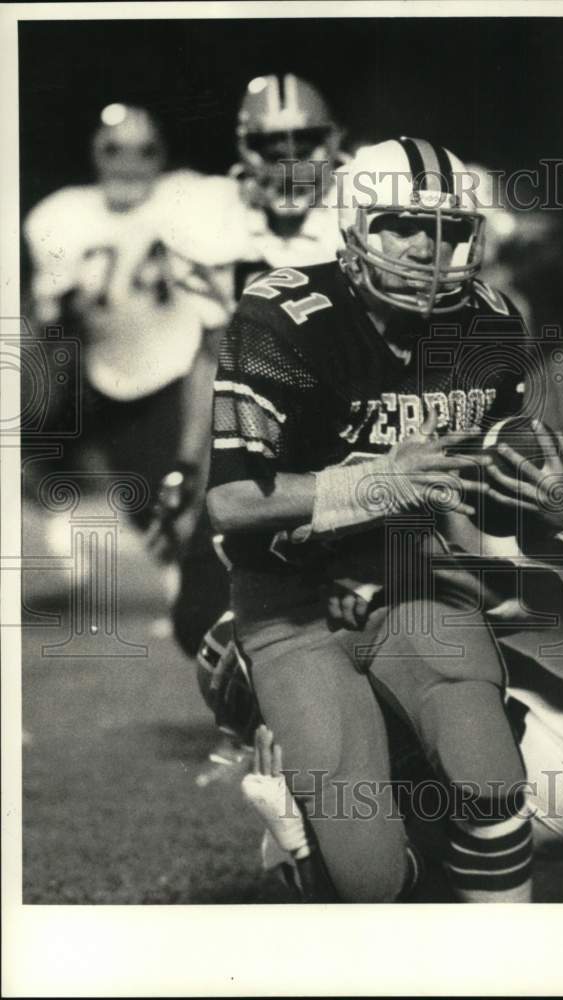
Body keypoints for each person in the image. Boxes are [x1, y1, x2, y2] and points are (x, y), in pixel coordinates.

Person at [205, 137, 563, 902]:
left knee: (491, 779)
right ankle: (294, 809)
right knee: (371, 876)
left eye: (452, 231)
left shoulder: (488, 323)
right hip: (292, 607)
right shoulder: (285, 315)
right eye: (402, 224)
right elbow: (230, 501)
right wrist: (373, 484)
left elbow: (515, 513)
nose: (429, 248)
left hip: (408, 582)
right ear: (354, 226)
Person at [149, 73, 344, 659]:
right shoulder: (213, 224)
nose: (288, 163)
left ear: (335, 143)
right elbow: (211, 355)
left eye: (303, 143)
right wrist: (187, 464)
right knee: (202, 622)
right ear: (242, 150)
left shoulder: (364, 207)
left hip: (356, 433)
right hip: (259, 445)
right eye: (269, 147)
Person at [23, 103, 205, 525]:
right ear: (95, 153)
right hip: (104, 382)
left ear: (162, 155)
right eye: (115, 150)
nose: (129, 163)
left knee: (180, 509)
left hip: (177, 374)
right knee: (139, 513)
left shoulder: (186, 196)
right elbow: (51, 322)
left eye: (144, 151)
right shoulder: (62, 214)